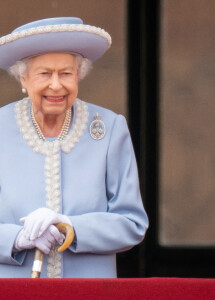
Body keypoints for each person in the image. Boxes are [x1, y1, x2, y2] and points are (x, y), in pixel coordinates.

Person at [0, 17, 148, 278]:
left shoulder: (110, 128)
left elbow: (132, 223)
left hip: (89, 291)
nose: (56, 85)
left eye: (66, 73)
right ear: (23, 78)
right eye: (44, 73)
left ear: (78, 75)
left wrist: (71, 226)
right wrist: (17, 238)